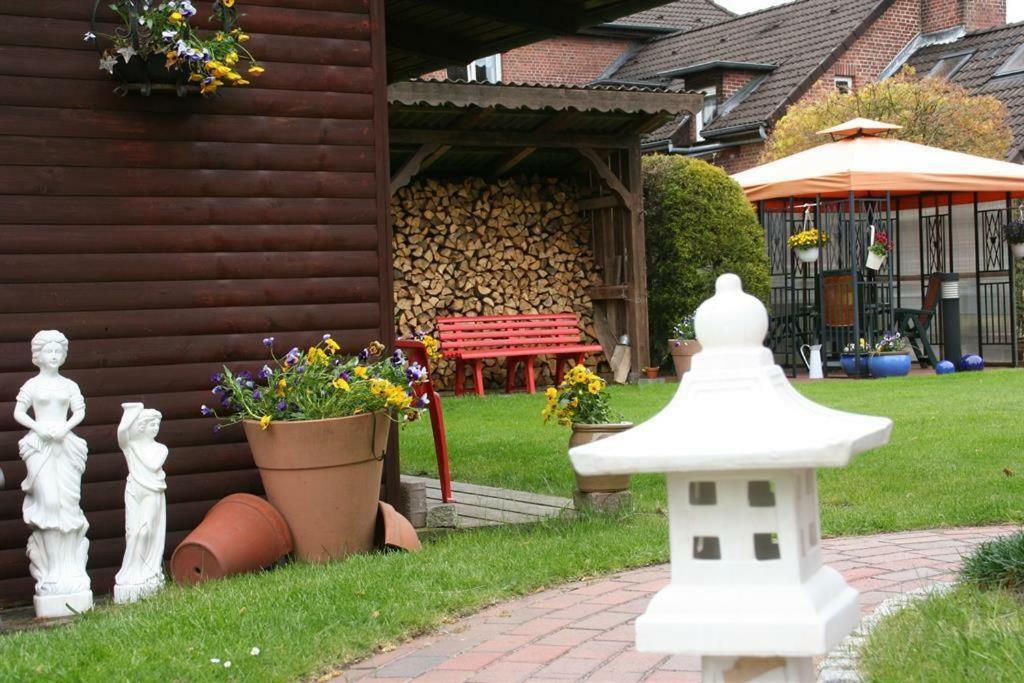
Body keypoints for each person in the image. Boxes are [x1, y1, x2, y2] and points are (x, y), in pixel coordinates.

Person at [12, 330, 91, 611]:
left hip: (66, 445)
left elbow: (79, 411)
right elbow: (19, 413)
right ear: (38, 355)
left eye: (59, 351)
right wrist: (41, 428)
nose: (54, 356)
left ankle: (71, 572)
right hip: (40, 446)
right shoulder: (32, 385)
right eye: (49, 351)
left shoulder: (69, 385)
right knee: (49, 503)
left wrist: (64, 429)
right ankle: (50, 572)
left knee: (69, 505)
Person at [114, 403, 168, 602]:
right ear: (141, 426)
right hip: (134, 490)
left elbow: (152, 464)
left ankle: (147, 571)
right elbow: (121, 433)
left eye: (157, 424)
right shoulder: (131, 446)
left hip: (151, 491)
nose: (155, 427)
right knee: (132, 531)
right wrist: (131, 412)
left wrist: (134, 447)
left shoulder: (160, 448)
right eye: (151, 424)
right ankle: (131, 573)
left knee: (145, 531)